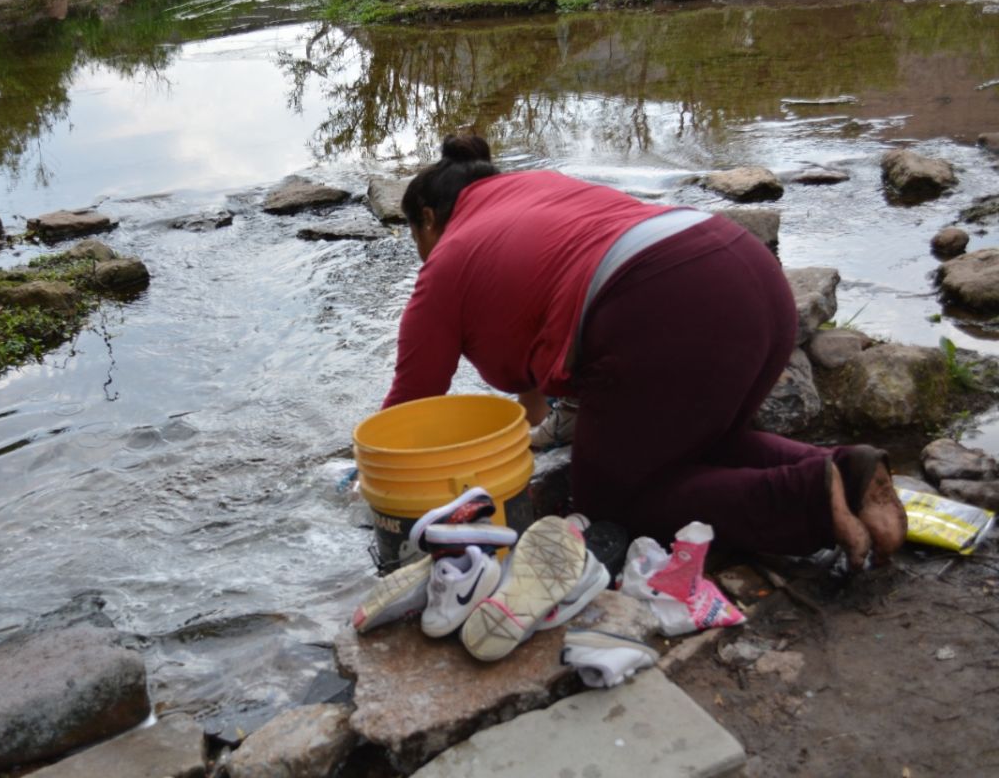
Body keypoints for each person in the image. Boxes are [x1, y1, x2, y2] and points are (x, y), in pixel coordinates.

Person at [382, 133, 907, 570]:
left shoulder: (447, 261)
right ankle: (848, 470)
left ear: (427, 218)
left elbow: (410, 406)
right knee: (697, 446)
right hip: (743, 269)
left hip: (666, 302)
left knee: (615, 499)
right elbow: (539, 336)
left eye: (415, 235)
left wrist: (372, 485)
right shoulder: (537, 188)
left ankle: (808, 502)